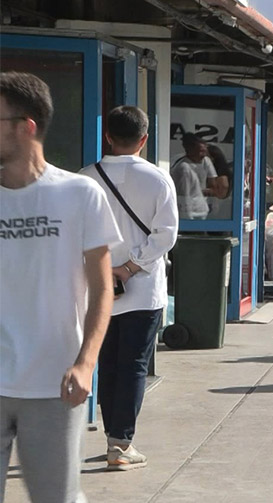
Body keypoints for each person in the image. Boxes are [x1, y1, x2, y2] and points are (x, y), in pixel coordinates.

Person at [1, 71, 122, 503]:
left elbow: (102, 288)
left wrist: (86, 362)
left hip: (54, 385)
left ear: (25, 126)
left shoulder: (79, 195)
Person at [78, 105, 179, 471]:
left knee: (107, 363)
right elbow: (166, 235)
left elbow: (77, 235)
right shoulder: (157, 179)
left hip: (98, 288)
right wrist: (131, 267)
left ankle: (112, 438)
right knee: (134, 365)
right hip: (143, 287)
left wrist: (107, 268)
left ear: (107, 136)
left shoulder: (85, 178)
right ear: (144, 139)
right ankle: (120, 444)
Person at [170, 133, 218, 220]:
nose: (203, 155)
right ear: (190, 150)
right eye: (200, 151)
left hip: (202, 209)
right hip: (188, 211)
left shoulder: (206, 161)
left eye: (205, 151)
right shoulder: (183, 167)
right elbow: (184, 194)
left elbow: (214, 187)